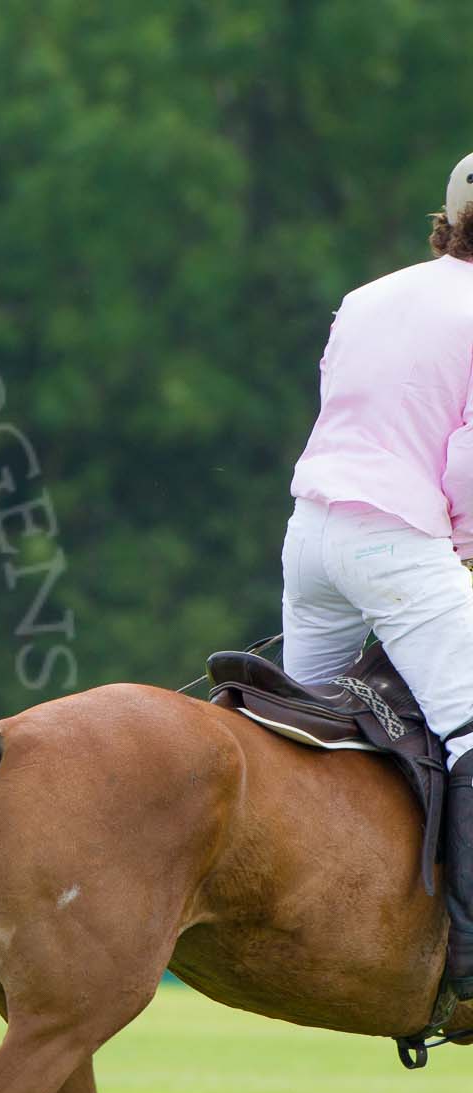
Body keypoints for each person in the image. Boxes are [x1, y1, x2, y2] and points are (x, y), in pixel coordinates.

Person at [282, 150, 473, 994]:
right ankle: (468, 964)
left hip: (311, 533)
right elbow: (467, 463)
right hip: (397, 542)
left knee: (295, 736)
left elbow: (343, 405)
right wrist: (463, 548)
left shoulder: (368, 295)